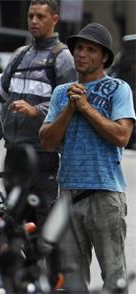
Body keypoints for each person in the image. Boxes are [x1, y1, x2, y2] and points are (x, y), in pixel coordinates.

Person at [0, 0, 76, 227]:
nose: (34, 21)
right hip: (14, 156)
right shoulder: (21, 55)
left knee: (43, 228)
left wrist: (35, 110)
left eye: (40, 16)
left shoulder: (63, 59)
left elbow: (69, 103)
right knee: (14, 226)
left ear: (55, 19)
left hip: (43, 156)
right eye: (31, 16)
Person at [40, 23, 134, 293]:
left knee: (114, 279)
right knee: (70, 281)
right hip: (68, 195)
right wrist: (70, 108)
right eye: (79, 48)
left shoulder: (118, 89)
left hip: (105, 195)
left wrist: (86, 107)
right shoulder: (62, 93)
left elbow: (121, 136)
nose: (81, 54)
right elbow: (46, 140)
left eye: (90, 49)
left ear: (104, 56)